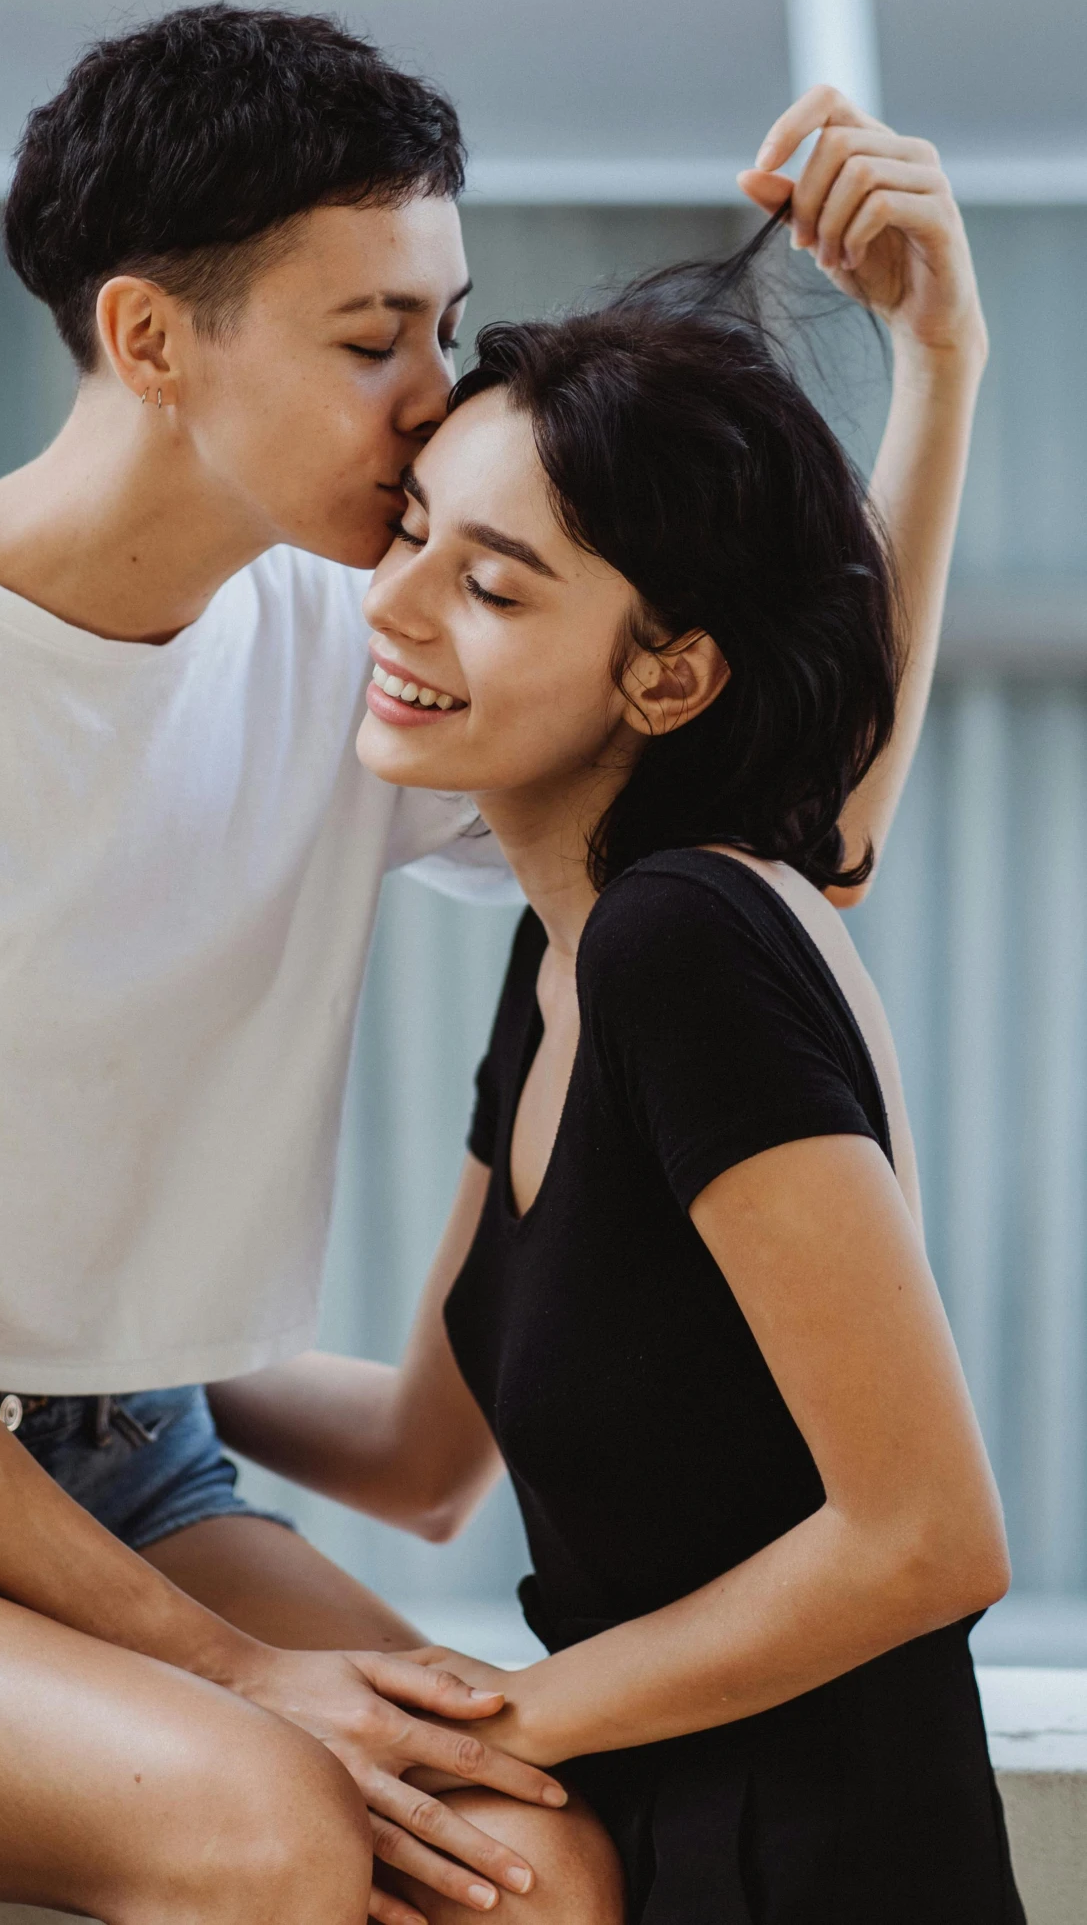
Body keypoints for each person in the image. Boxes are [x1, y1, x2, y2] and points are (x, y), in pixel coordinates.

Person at [0, 2, 985, 1925]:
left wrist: (935, 372)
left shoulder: (347, 636)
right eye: (371, 339)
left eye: (442, 327)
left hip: (127, 1466)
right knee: (260, 1833)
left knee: (531, 1860)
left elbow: (764, 813)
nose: (430, 397)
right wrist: (232, 1673)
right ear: (149, 339)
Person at [209, 194, 1018, 1922]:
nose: (393, 603)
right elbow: (425, 1453)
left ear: (667, 677)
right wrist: (60, 1372)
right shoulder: (561, 951)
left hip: (813, 1869)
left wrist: (480, 1721)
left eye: (487, 582)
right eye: (410, 531)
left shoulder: (686, 949)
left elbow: (930, 1535)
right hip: (636, 1842)